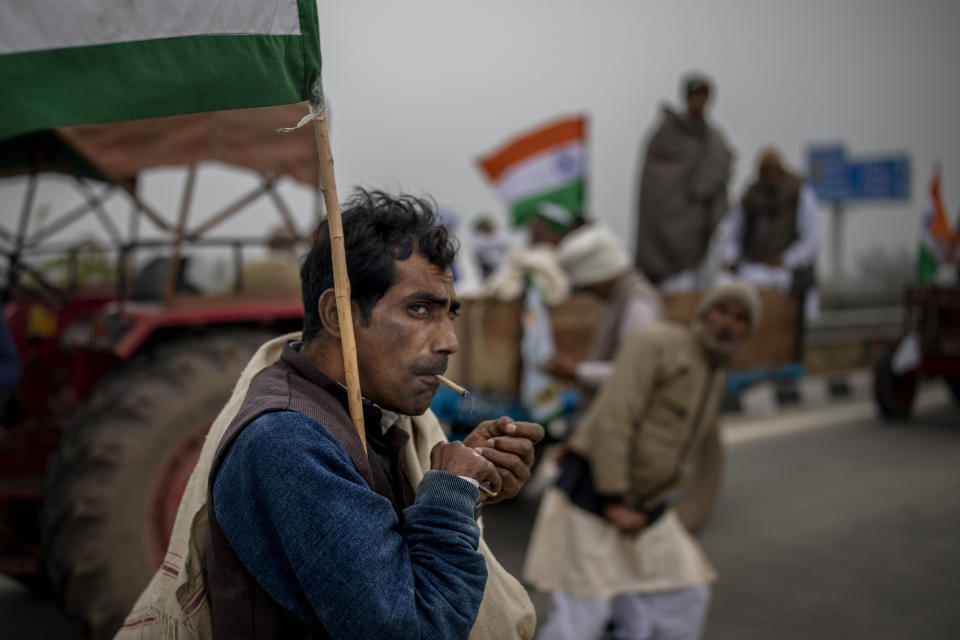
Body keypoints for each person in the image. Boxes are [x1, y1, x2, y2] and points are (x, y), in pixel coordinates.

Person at [117, 190, 542, 640]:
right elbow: (414, 629)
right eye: (420, 309)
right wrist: (450, 494)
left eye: (449, 313)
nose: (449, 341)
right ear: (337, 314)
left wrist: (468, 481)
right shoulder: (288, 440)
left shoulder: (369, 415)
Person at [524, 280, 762, 640]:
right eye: (722, 311)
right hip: (594, 495)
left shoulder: (713, 373)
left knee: (685, 591)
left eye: (741, 318)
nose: (727, 323)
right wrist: (615, 501)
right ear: (705, 312)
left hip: (646, 505)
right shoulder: (656, 344)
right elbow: (613, 419)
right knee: (581, 620)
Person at [543, 224, 662, 410]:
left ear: (598, 275)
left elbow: (637, 374)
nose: (586, 291)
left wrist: (577, 371)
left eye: (586, 284)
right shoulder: (616, 300)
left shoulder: (638, 305)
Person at [634, 73, 734, 292]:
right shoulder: (666, 136)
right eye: (695, 96)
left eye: (704, 97)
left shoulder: (713, 140)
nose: (699, 102)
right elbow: (655, 183)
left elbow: (718, 175)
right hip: (667, 225)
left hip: (700, 230)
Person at [721, 148, 821, 319]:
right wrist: (732, 260)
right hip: (751, 268)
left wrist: (786, 260)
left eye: (773, 172)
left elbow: (811, 240)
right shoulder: (750, 198)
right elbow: (732, 237)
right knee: (724, 285)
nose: (770, 177)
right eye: (765, 172)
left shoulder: (800, 195)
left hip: (786, 270)